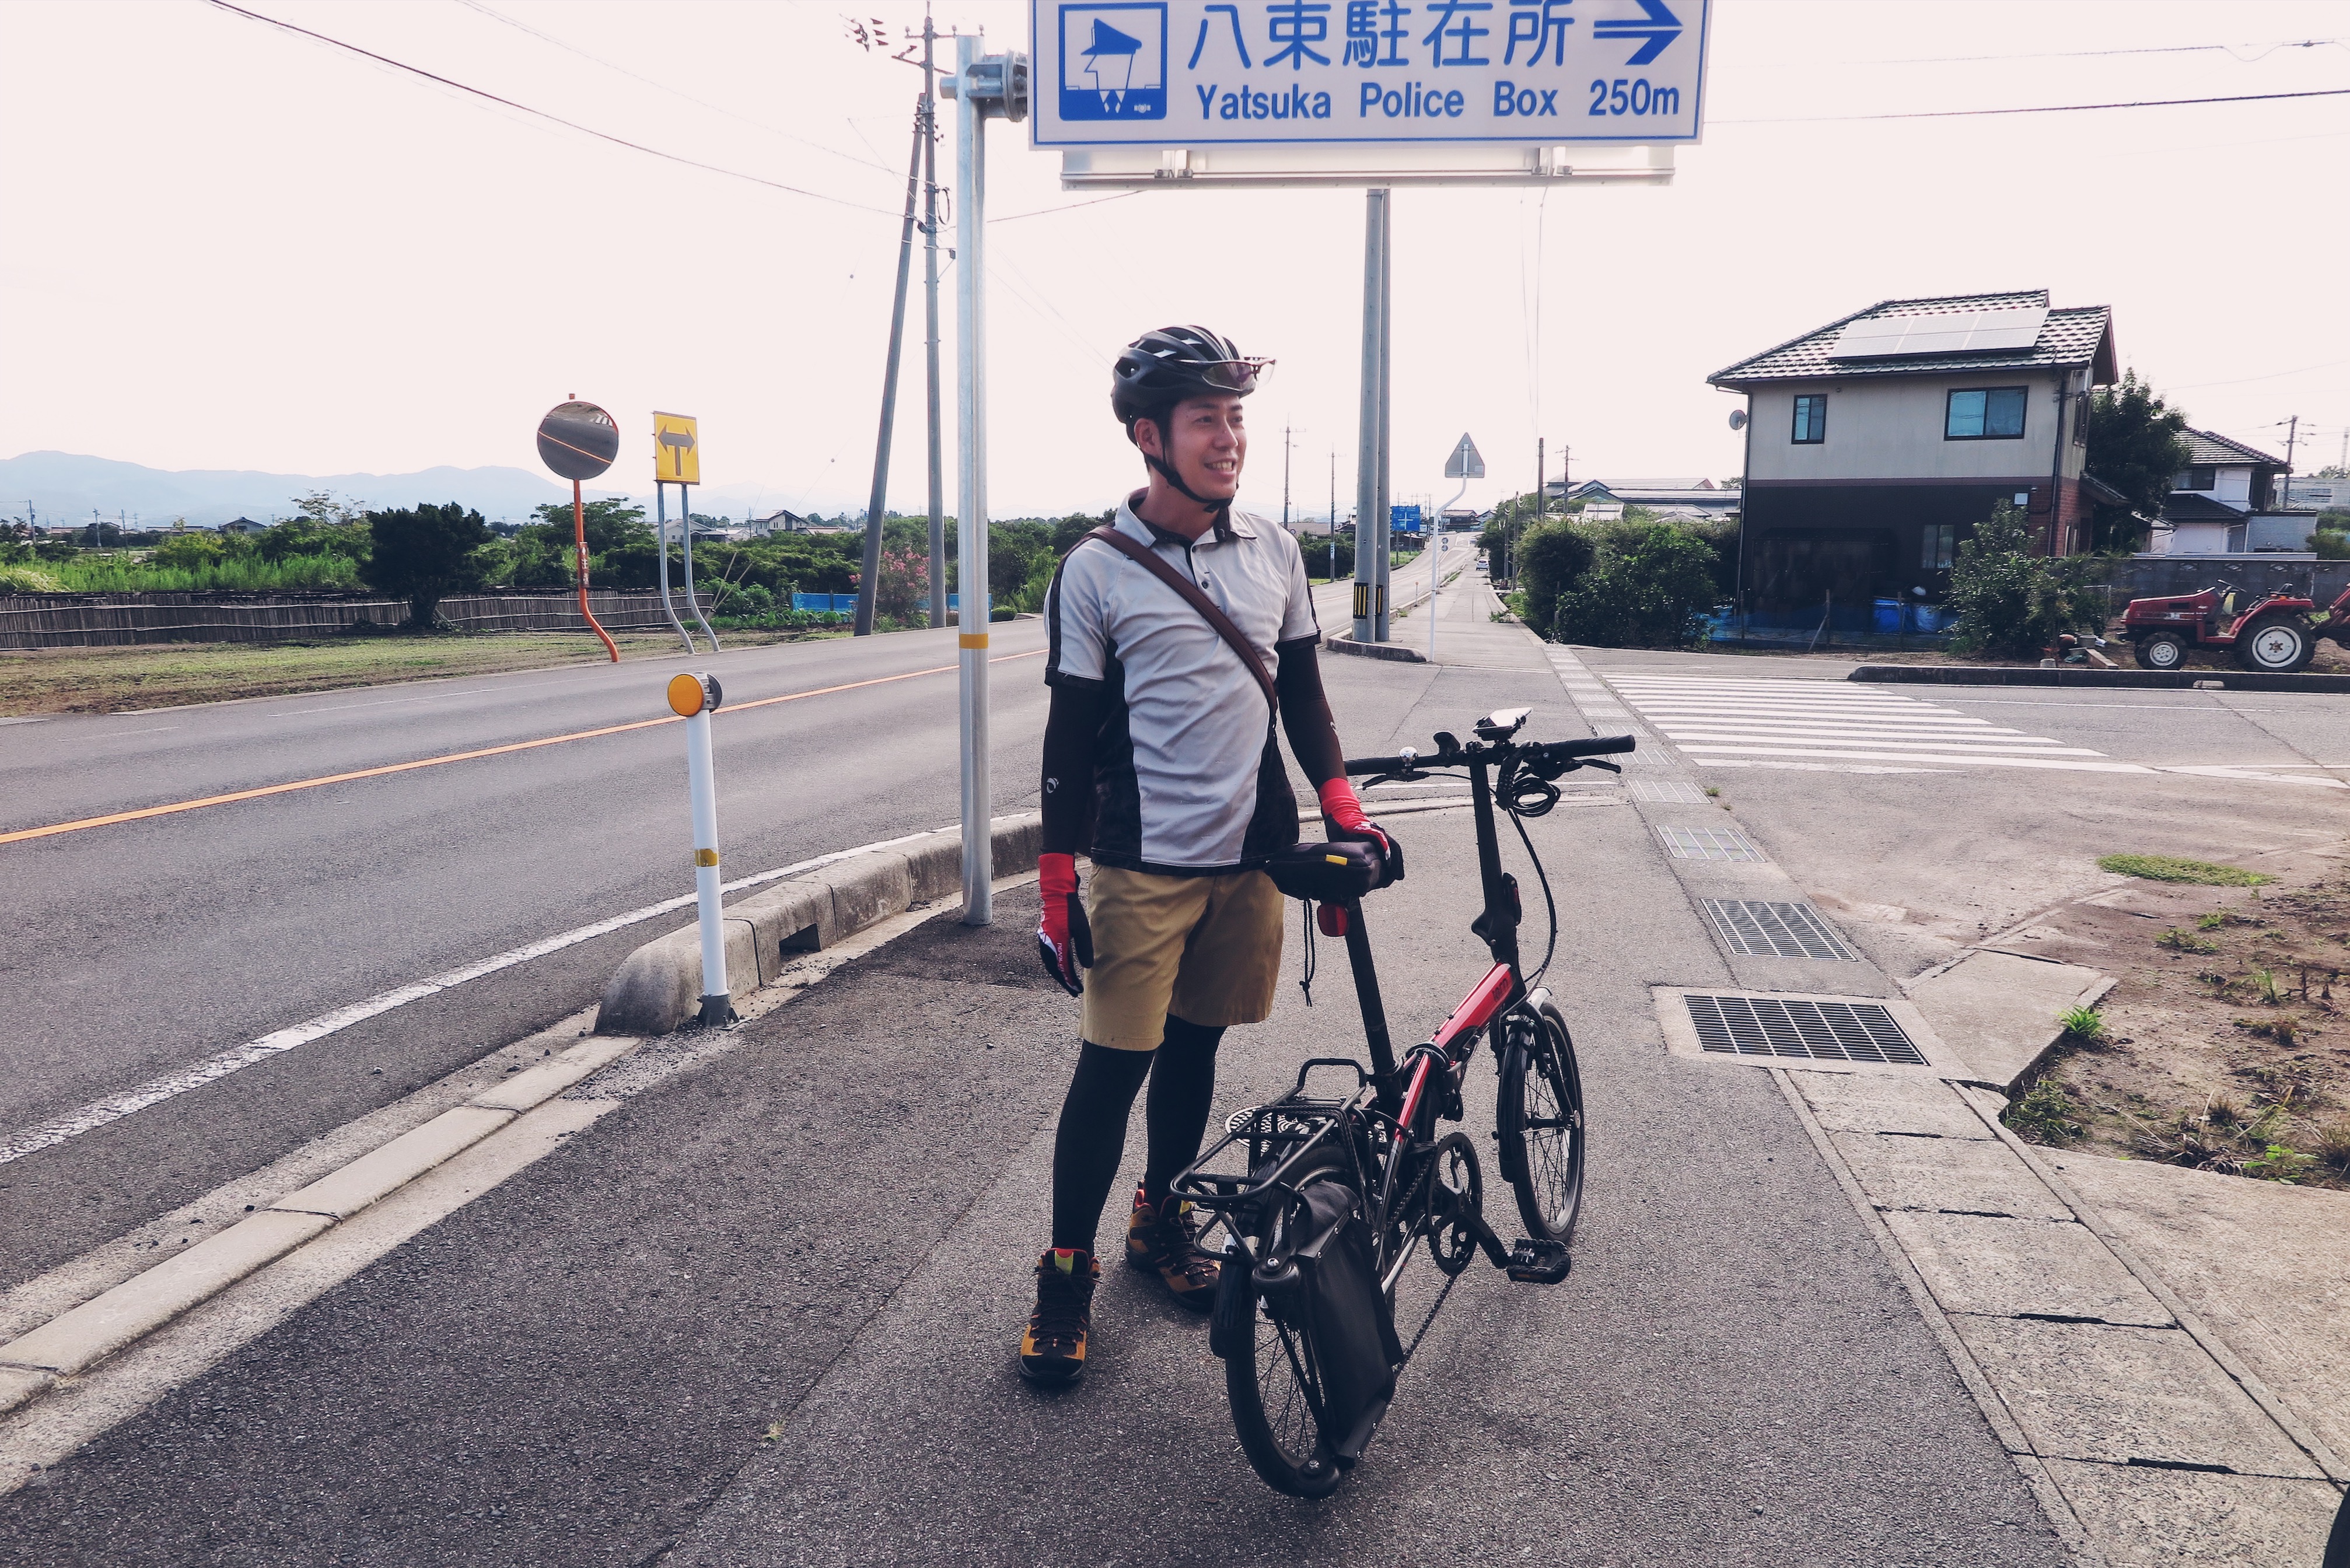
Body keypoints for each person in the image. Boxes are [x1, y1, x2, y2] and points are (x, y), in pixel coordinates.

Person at [1019, 325, 1399, 1385]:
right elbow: (1067, 739)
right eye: (1205, 420)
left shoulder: (1275, 551)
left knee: (1196, 1052)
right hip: (1141, 865)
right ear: (1150, 437)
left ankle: (1161, 1221)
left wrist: (1340, 805)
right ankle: (1065, 1276)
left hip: (1250, 861)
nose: (1228, 438)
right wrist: (1056, 884)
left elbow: (1305, 695)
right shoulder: (1095, 571)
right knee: (1111, 1069)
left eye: (1236, 418)